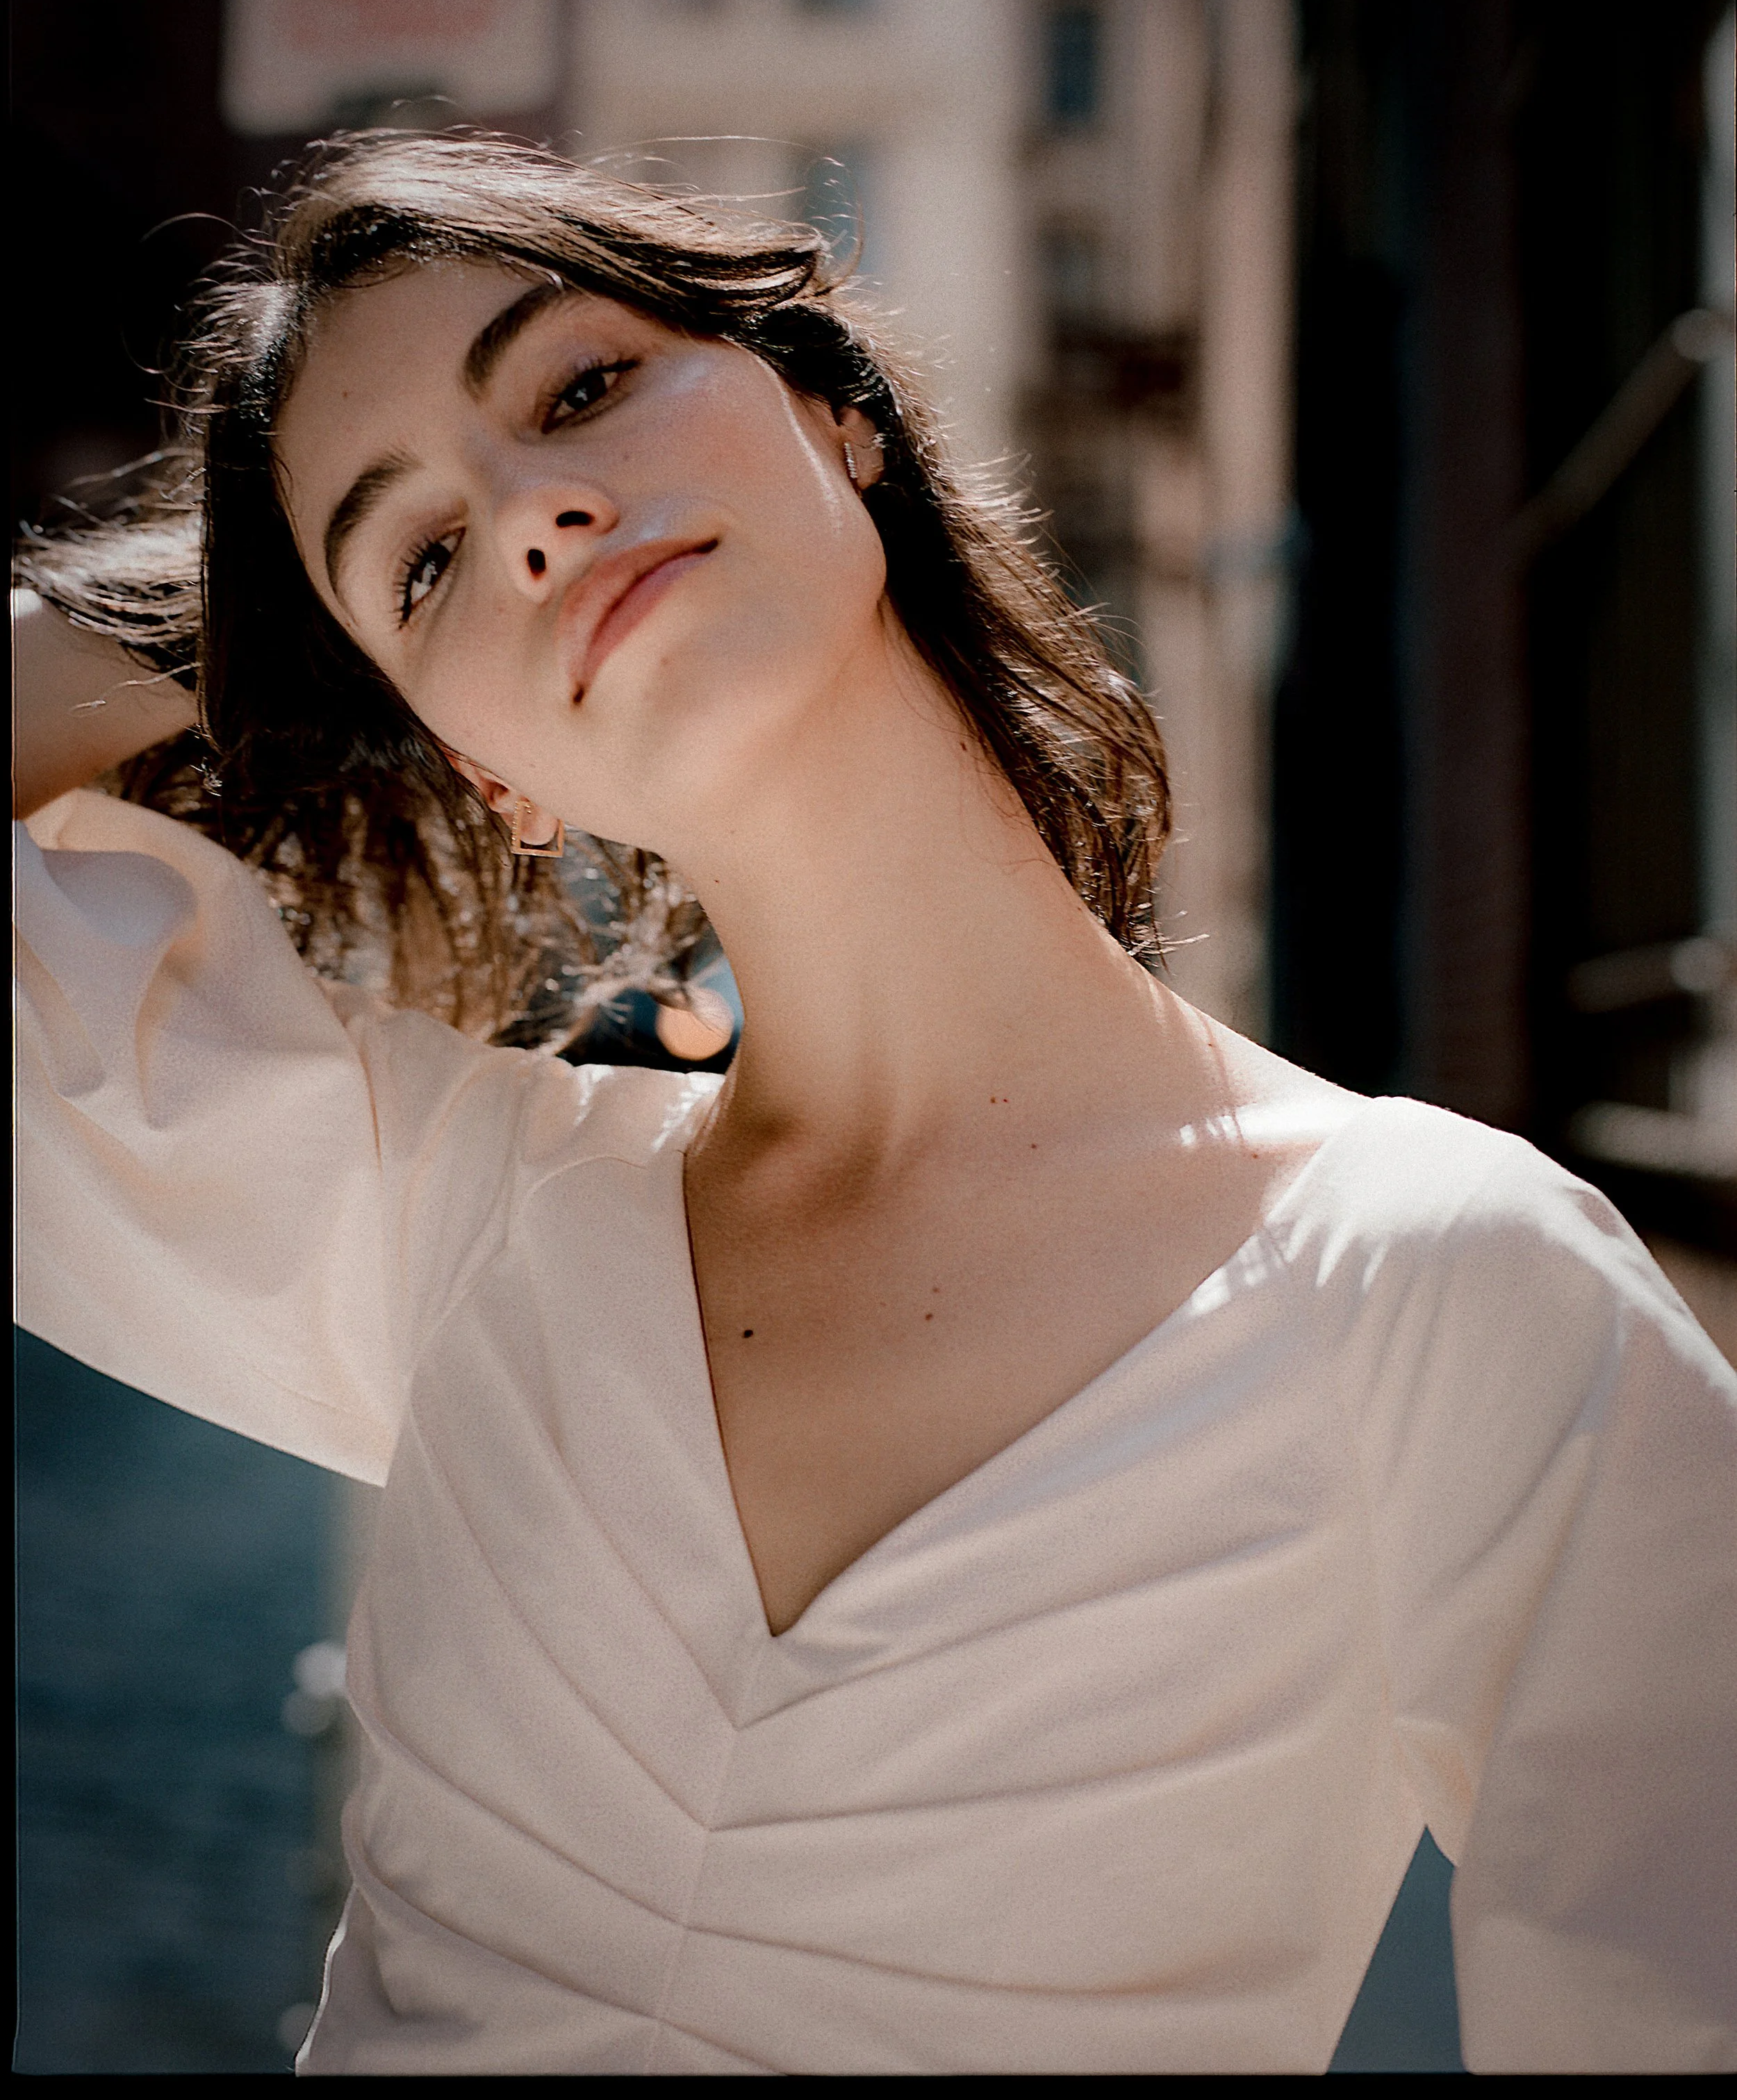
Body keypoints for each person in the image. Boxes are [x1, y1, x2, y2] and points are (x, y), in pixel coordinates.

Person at [13, 131, 1735, 2077]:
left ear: (834, 414)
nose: (533, 518)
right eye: (415, 558)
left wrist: (379, 591)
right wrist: (213, 622)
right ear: (480, 766)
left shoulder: (1443, 1280)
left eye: (577, 388)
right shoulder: (466, 1218)